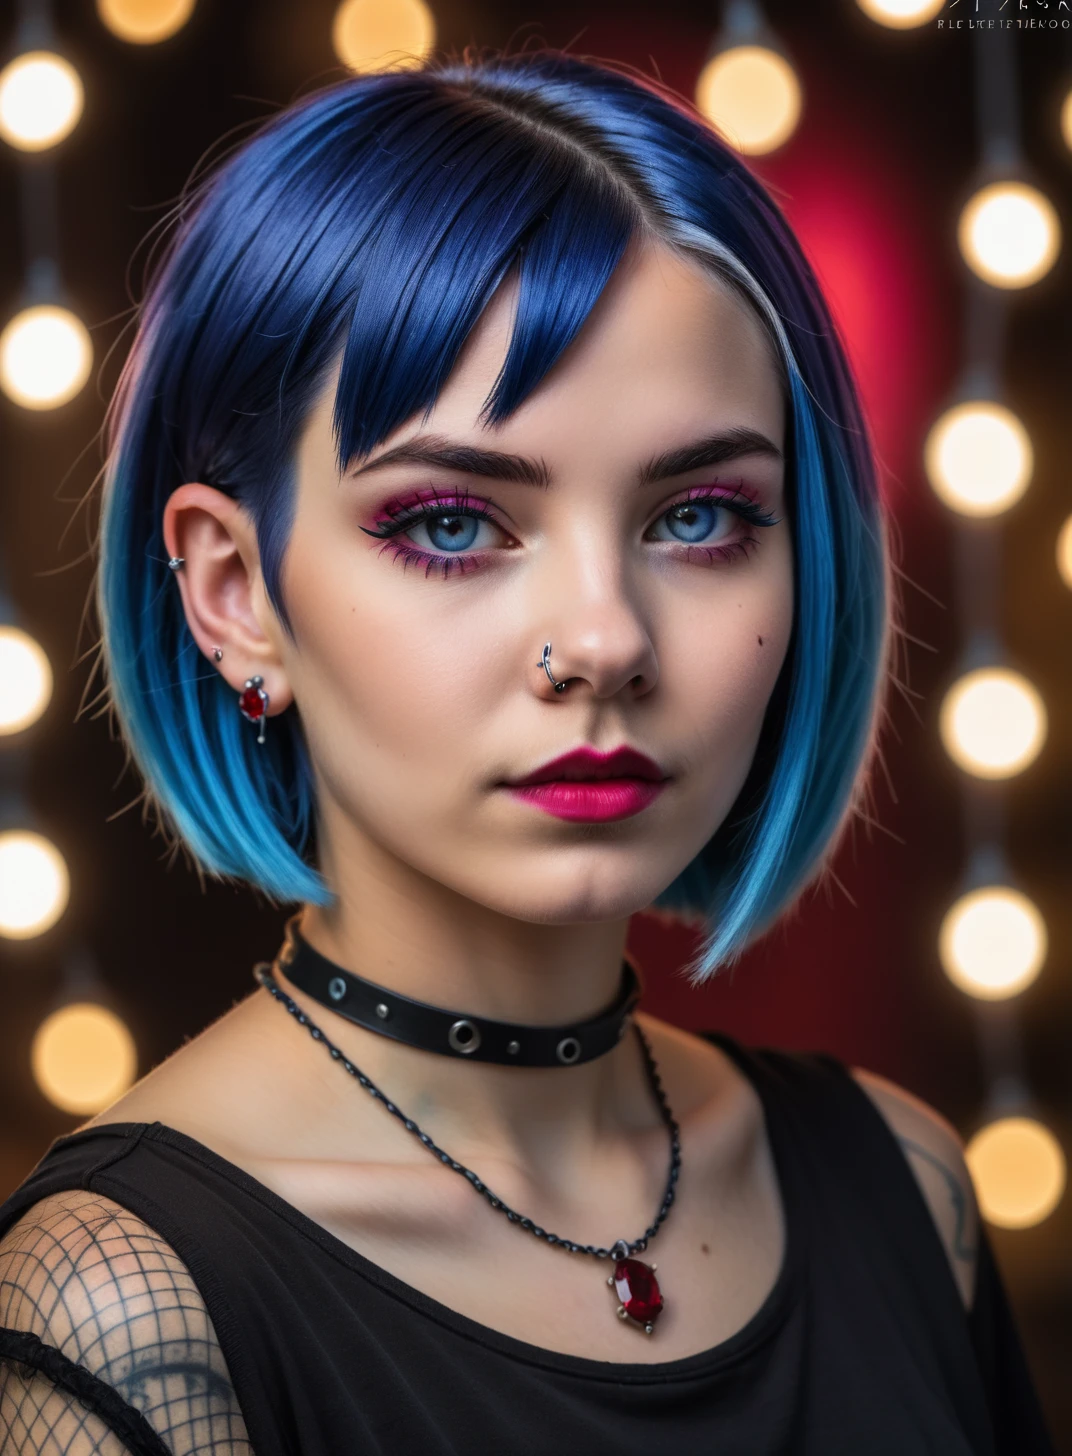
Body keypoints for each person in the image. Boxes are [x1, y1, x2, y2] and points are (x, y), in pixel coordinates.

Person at [0, 49, 1055, 1456]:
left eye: (698, 517)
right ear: (234, 594)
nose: (605, 640)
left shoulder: (909, 1190)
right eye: (450, 524)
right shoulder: (125, 1308)